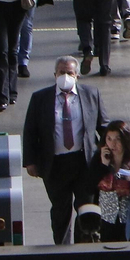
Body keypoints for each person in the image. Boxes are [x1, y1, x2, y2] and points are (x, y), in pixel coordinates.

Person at [22, 55, 107, 243]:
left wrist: (113, 152)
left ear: (77, 76)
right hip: (55, 165)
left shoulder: (92, 94)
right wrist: (30, 161)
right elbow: (30, 131)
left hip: (84, 163)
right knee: (60, 210)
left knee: (86, 207)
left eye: (69, 73)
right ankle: (62, 249)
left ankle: (85, 247)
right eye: (61, 72)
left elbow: (104, 126)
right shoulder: (40, 98)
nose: (65, 76)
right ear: (55, 75)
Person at [77, 119, 130, 241]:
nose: (113, 144)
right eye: (109, 139)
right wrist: (103, 166)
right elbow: (88, 187)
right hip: (106, 219)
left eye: (118, 139)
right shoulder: (98, 159)